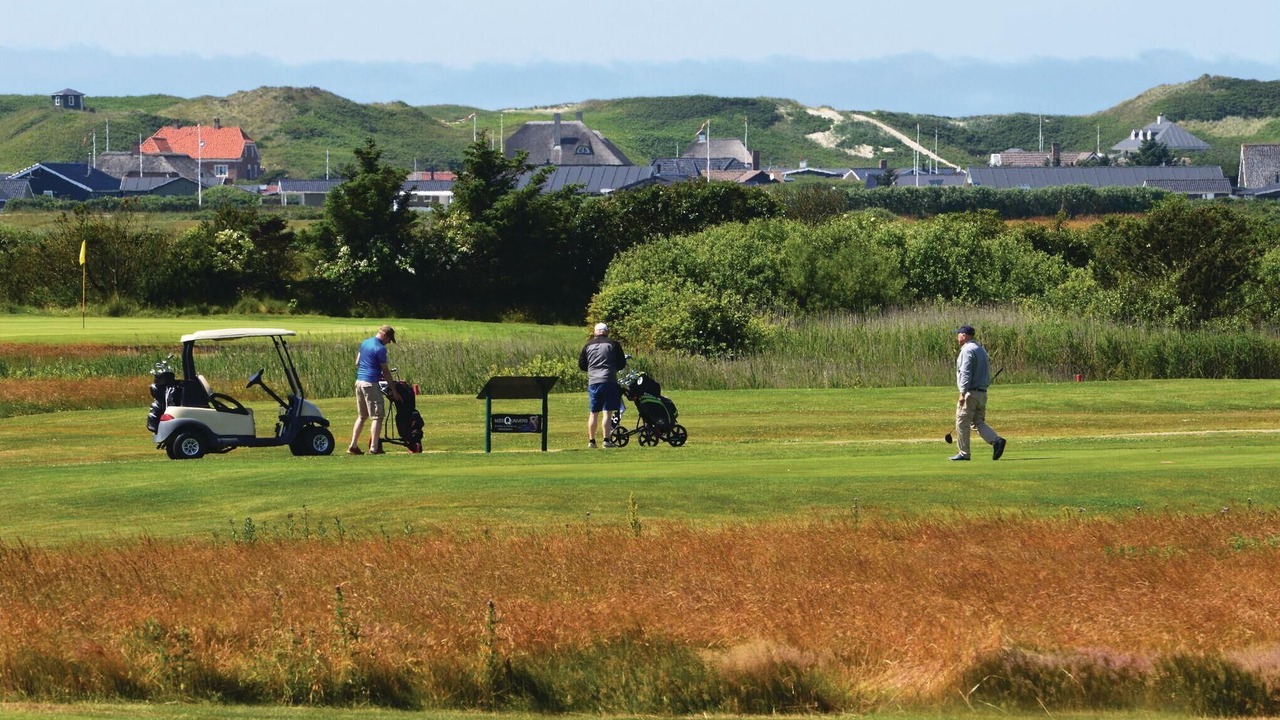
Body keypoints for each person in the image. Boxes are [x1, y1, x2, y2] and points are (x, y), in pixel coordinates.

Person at [950, 324, 1007, 462]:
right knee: (977, 421)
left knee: (962, 422)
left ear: (964, 335)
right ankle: (996, 440)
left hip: (970, 393)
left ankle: (964, 453)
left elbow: (965, 372)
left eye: (958, 334)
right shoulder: (980, 349)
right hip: (982, 393)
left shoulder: (967, 350)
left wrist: (962, 393)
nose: (957, 337)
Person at [349, 324, 400, 455]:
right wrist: (394, 390)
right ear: (384, 335)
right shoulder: (380, 349)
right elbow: (386, 371)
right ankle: (374, 448)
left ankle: (353, 445)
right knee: (377, 416)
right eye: (389, 339)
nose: (388, 343)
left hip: (359, 382)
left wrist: (372, 367)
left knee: (362, 416)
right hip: (370, 383)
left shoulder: (365, 342)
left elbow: (357, 362)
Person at [578, 322, 627, 448]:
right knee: (607, 412)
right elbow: (622, 363)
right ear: (606, 331)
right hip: (609, 380)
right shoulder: (613, 344)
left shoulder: (587, 345)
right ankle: (606, 440)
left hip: (593, 381)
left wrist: (592, 369)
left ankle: (592, 441)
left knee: (593, 412)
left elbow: (582, 365)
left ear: (595, 332)